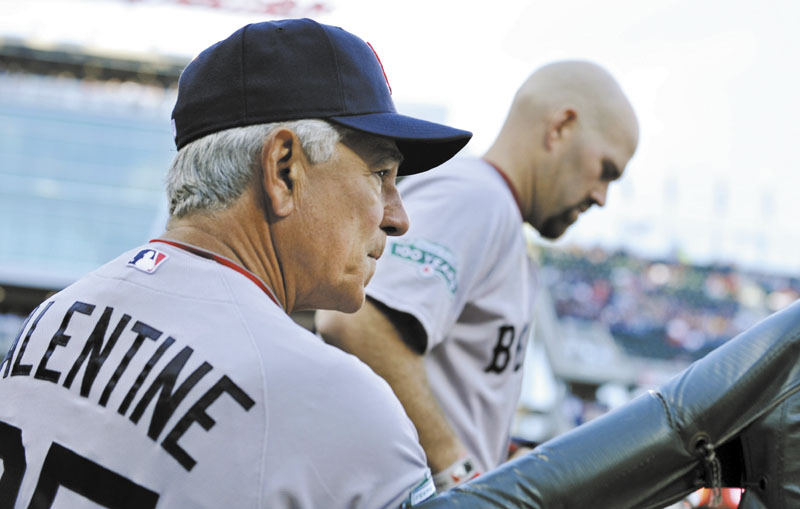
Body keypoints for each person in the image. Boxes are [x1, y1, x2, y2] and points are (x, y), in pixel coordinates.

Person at [0, 18, 471, 508]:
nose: (398, 218)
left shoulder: (53, 314)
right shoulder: (331, 398)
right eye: (380, 174)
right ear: (284, 169)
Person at [316, 60, 640, 489]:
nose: (601, 196)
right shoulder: (479, 197)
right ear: (561, 127)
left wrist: (497, 456)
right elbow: (354, 320)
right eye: (606, 171)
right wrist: (461, 474)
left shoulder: (498, 213)